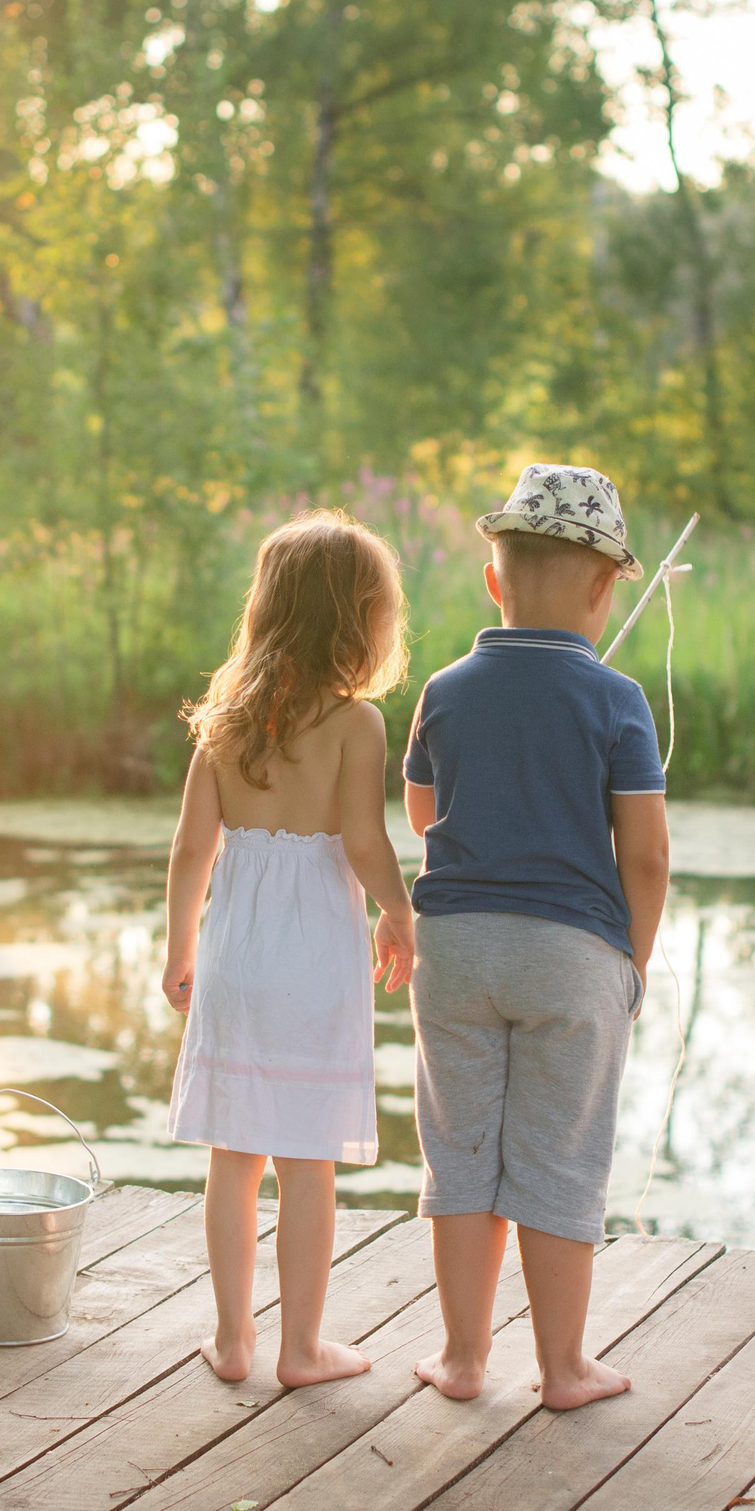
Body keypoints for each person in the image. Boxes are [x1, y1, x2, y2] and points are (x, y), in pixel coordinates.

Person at [401, 463, 670, 1411]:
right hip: (572, 957)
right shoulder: (617, 700)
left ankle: (464, 1359)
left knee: (462, 1152)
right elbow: (644, 854)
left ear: (492, 578)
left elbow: (423, 807)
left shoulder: (444, 688)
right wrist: (630, 963)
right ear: (605, 591)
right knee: (558, 1158)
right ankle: (562, 1369)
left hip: (455, 951)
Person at [163, 509, 416, 1387]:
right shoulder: (357, 725)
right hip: (313, 964)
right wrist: (400, 913)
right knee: (307, 1164)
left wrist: (178, 947)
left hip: (235, 954)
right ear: (359, 621)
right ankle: (300, 1349)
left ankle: (233, 1341)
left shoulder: (222, 724)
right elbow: (363, 842)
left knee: (233, 1162)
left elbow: (192, 851)